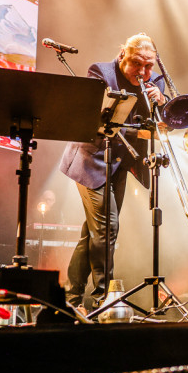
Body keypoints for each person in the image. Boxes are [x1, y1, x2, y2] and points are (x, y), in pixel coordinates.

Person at [59, 33, 166, 314]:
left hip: (119, 163)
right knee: (108, 228)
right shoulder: (100, 72)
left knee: (94, 234)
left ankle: (70, 299)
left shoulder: (155, 82)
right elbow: (92, 118)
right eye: (136, 64)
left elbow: (162, 126)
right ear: (122, 55)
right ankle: (101, 301)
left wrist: (161, 102)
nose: (143, 72)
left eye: (149, 66)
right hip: (91, 160)